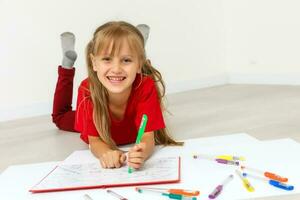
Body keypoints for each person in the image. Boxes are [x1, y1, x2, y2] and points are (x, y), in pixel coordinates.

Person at [52, 21, 182, 170]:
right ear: (94, 63)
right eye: (107, 59)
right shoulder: (88, 91)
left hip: (137, 74)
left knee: (133, 67)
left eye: (126, 60)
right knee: (60, 117)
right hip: (93, 105)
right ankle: (67, 65)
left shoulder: (145, 86)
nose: (116, 69)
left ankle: (135, 46)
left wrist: (141, 153)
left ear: (140, 65)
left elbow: (148, 137)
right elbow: (94, 141)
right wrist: (106, 153)